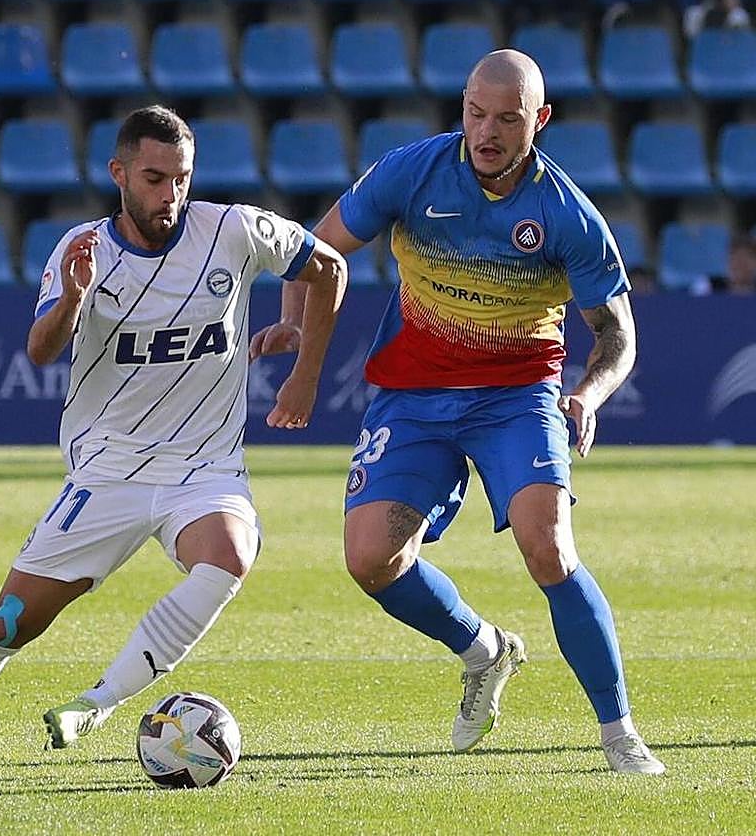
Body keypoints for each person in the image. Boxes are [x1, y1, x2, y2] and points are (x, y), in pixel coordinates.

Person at [0, 104, 348, 777]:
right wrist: (72, 299)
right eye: (154, 178)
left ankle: (98, 702)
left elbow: (328, 270)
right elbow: (38, 349)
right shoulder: (81, 250)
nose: (169, 194)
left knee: (229, 555)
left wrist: (305, 377)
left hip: (202, 469)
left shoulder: (231, 229)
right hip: (108, 473)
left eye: (181, 178)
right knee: (7, 624)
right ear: (119, 173)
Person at [251, 50, 665, 776]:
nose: (488, 132)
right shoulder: (412, 172)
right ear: (463, 109)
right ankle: (485, 650)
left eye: (508, 119)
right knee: (369, 559)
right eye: (477, 114)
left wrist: (587, 393)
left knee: (549, 546)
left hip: (516, 396)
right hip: (413, 396)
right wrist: (291, 321)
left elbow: (618, 332)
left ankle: (619, 732)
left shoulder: (566, 214)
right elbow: (314, 250)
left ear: (539, 120)